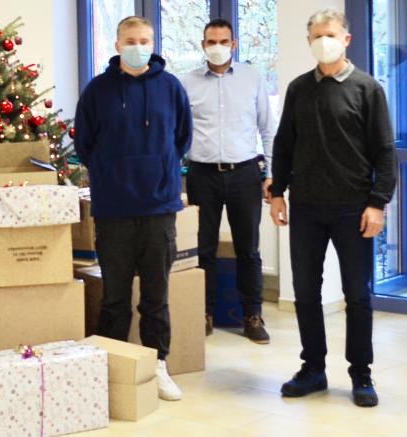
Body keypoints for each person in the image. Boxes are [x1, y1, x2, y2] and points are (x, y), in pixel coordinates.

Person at [269, 9, 397, 408]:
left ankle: (361, 374)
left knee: (357, 295)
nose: (324, 41)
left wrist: (377, 203)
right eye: (317, 36)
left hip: (352, 208)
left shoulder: (367, 88)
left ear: (346, 39)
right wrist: (277, 193)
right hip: (306, 207)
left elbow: (384, 152)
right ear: (309, 42)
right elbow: (284, 144)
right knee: (305, 292)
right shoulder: (298, 89)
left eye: (331, 34)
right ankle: (313, 369)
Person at [73, 16, 192, 402]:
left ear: (152, 44)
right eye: (130, 40)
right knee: (115, 298)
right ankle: (112, 368)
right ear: (117, 44)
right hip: (113, 209)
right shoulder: (97, 90)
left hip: (159, 208)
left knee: (156, 297)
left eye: (144, 40)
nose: (138, 47)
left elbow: (182, 138)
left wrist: (160, 169)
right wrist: (110, 171)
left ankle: (158, 366)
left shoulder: (171, 87)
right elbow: (85, 143)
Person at [179, 18, 277, 343]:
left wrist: (271, 175)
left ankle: (252, 316)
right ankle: (203, 313)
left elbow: (267, 128)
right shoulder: (187, 82)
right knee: (203, 249)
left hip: (245, 173)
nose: (217, 47)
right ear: (203, 45)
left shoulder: (252, 78)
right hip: (202, 173)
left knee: (248, 250)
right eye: (211, 42)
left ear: (234, 45)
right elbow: (176, 132)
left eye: (224, 42)